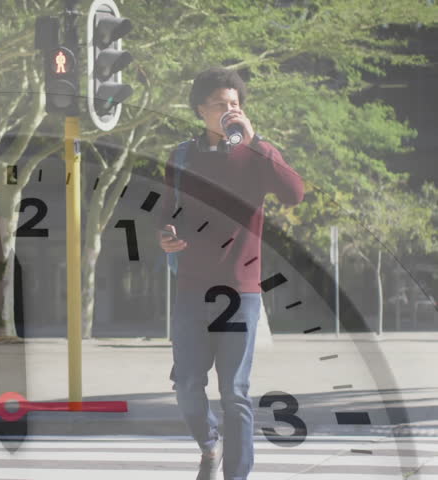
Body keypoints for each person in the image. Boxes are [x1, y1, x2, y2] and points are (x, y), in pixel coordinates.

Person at [159, 67, 304, 480]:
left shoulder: (257, 154)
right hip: (191, 289)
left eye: (235, 104)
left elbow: (294, 193)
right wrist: (165, 235)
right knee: (188, 385)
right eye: (220, 104)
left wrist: (257, 143)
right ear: (200, 110)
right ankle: (209, 444)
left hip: (240, 292)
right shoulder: (182, 157)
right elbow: (166, 211)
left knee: (234, 393)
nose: (230, 111)